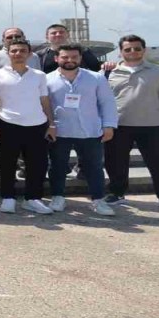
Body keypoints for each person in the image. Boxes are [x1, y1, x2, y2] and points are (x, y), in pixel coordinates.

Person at [104, 35, 159, 213]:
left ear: (144, 50)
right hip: (119, 125)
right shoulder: (110, 73)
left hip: (153, 126)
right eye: (128, 49)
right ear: (121, 52)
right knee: (115, 162)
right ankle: (117, 193)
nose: (132, 52)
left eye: (137, 48)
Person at [0, 40, 56, 214]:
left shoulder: (39, 75)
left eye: (22, 51)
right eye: (14, 51)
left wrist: (51, 124)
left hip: (37, 125)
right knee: (6, 163)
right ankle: (8, 198)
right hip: (7, 124)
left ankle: (32, 199)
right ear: (8, 53)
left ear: (29, 54)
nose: (18, 53)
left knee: (37, 164)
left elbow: (44, 101)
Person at [47, 44, 119, 215]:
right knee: (57, 166)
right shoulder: (46, 80)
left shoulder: (96, 78)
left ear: (80, 58)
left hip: (90, 130)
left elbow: (107, 102)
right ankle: (58, 197)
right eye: (65, 57)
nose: (69, 60)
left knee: (94, 167)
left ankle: (98, 200)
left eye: (74, 57)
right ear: (57, 59)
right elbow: (44, 106)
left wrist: (109, 125)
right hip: (60, 131)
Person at [35, 24, 104, 73]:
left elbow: (96, 68)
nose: (58, 34)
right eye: (54, 33)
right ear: (47, 37)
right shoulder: (39, 55)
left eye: (61, 32)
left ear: (68, 35)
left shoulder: (83, 51)